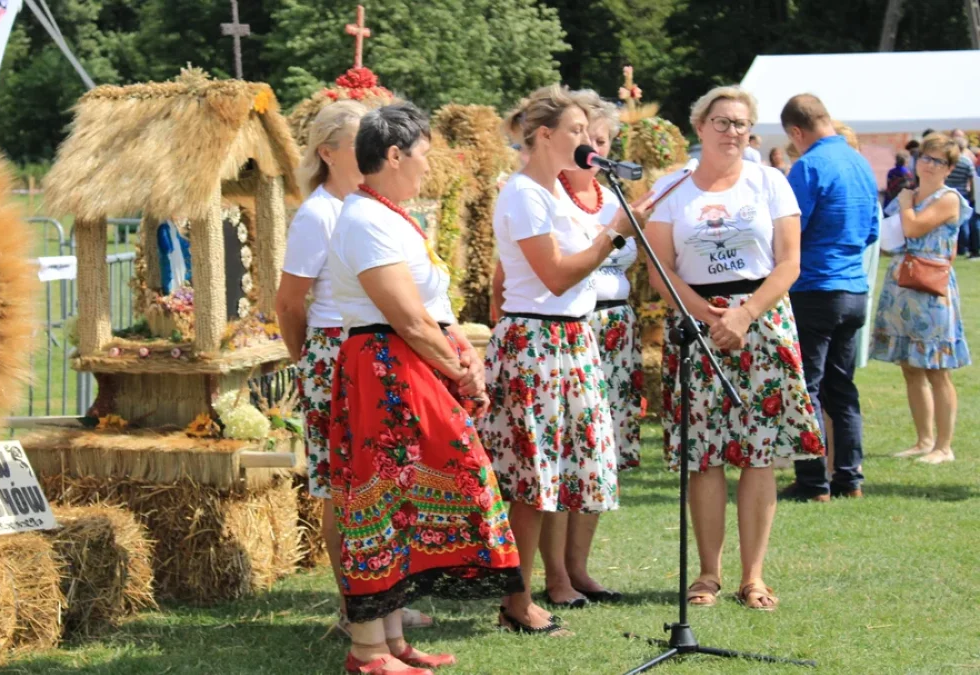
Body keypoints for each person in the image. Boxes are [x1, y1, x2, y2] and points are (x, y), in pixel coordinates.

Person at [327, 102, 522, 674]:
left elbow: (432, 309)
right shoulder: (364, 219)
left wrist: (464, 354)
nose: (428, 164)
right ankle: (367, 649)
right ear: (394, 155)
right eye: (424, 153)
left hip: (405, 365)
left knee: (402, 501)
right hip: (385, 366)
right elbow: (408, 319)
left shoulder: (389, 214)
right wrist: (459, 369)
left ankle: (389, 642)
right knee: (381, 498)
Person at [644, 85, 824, 611]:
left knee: (758, 454)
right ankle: (707, 575)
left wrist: (745, 314)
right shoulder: (671, 186)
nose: (732, 132)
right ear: (699, 128)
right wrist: (709, 317)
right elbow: (660, 269)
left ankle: (754, 577)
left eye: (741, 123)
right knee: (704, 457)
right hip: (699, 325)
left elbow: (789, 263)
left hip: (762, 322)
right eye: (721, 122)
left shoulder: (770, 182)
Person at [481, 84, 641, 634]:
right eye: (575, 131)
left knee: (551, 478)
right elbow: (553, 276)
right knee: (532, 480)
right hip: (538, 343)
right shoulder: (525, 193)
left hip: (570, 341)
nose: (584, 140)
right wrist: (612, 236)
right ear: (544, 135)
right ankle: (517, 600)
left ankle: (529, 592)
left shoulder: (549, 193)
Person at [276, 101, 436, 637]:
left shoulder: (370, 208)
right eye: (355, 138)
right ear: (328, 152)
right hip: (333, 352)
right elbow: (289, 301)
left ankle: (383, 600)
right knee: (344, 487)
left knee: (382, 483)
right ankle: (355, 606)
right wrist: (310, 362)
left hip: (365, 352)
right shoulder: (319, 213)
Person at [777, 94, 879, 503]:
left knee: (809, 387)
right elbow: (872, 229)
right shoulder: (860, 162)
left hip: (816, 287)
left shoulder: (810, 165)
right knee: (843, 388)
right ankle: (849, 477)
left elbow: (789, 227)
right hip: (854, 286)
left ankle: (813, 480)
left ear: (797, 132)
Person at [872, 133, 973, 465]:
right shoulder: (911, 195)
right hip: (903, 283)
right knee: (910, 366)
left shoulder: (949, 198)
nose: (928, 164)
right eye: (925, 158)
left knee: (937, 368)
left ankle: (944, 446)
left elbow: (913, 229)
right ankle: (923, 440)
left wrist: (904, 205)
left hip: (931, 289)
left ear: (950, 168)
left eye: (937, 161)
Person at [946, 134, 977, 259]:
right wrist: (973, 194)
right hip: (962, 193)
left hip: (948, 193)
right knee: (964, 221)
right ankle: (963, 248)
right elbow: (972, 178)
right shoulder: (966, 161)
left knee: (948, 220)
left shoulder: (949, 161)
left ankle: (953, 246)